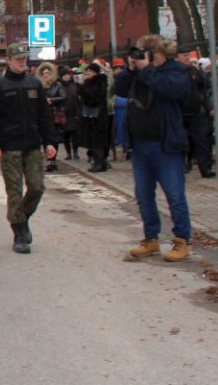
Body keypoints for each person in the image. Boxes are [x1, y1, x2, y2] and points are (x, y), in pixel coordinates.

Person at [114, 35, 193, 261]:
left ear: (160, 54)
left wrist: (146, 69)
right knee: (143, 195)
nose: (145, 58)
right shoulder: (141, 72)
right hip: (140, 144)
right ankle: (151, 238)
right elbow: (119, 89)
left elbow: (171, 91)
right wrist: (130, 70)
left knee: (175, 194)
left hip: (166, 144)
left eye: (150, 54)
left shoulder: (176, 70)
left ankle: (182, 240)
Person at [0, 43, 58, 254]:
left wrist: (50, 142)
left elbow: (45, 116)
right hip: (10, 147)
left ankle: (22, 217)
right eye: (17, 58)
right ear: (8, 60)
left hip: (32, 145)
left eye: (24, 58)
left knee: (37, 187)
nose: (21, 61)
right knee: (14, 191)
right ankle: (19, 232)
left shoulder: (34, 84)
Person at [78, 62, 110, 172]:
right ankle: (97, 161)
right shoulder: (90, 82)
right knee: (92, 140)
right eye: (87, 71)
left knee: (98, 140)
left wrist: (82, 87)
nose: (87, 73)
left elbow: (92, 97)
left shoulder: (99, 82)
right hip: (90, 115)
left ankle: (100, 162)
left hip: (98, 116)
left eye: (90, 71)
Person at [37, 62, 65, 173]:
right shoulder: (38, 85)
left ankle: (52, 160)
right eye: (43, 73)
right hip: (42, 115)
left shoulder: (57, 84)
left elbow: (63, 96)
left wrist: (51, 100)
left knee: (54, 138)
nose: (45, 75)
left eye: (48, 73)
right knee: (45, 138)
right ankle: (49, 159)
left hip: (54, 114)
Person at [59, 67, 81, 160]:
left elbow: (78, 99)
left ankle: (75, 152)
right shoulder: (59, 86)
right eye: (65, 75)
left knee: (75, 134)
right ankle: (68, 153)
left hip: (74, 112)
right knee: (65, 135)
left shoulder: (75, 85)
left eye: (68, 75)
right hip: (64, 113)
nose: (67, 77)